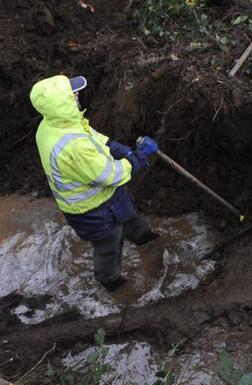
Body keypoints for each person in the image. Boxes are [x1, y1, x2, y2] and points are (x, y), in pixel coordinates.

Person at [29, 74, 160, 292]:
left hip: (110, 198)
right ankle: (112, 283)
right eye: (73, 93)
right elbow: (112, 175)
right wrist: (139, 156)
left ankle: (146, 240)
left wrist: (120, 149)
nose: (78, 94)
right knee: (109, 247)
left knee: (131, 218)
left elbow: (92, 136)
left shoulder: (53, 123)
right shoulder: (72, 147)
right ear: (63, 103)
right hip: (92, 211)